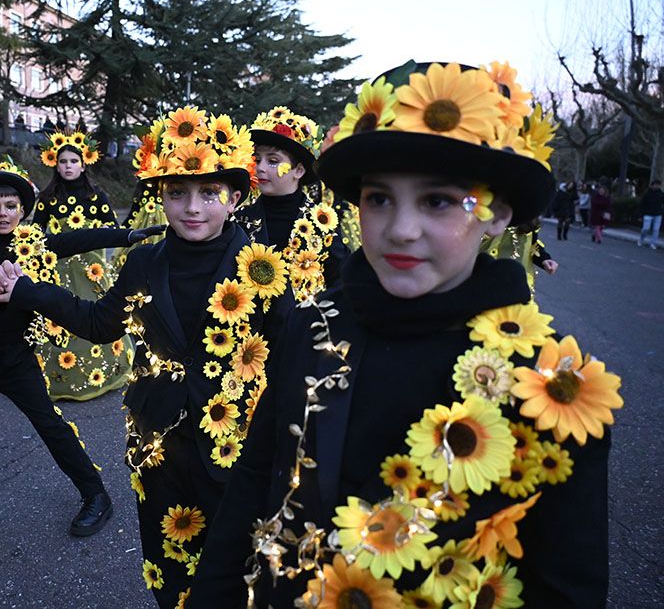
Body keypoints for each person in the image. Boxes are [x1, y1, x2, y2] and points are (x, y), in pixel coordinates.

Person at [190, 61, 621, 608]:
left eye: (438, 200)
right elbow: (253, 486)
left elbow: (566, 586)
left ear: (496, 215)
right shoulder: (313, 325)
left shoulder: (550, 387)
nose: (400, 229)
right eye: (379, 198)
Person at [0, 105, 292, 607]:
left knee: (239, 562)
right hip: (159, 439)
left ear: (235, 198)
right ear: (162, 197)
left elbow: (284, 354)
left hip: (238, 442)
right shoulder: (144, 261)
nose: (193, 207)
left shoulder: (263, 268)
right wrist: (27, 291)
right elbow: (100, 323)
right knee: (169, 556)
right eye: (177, 193)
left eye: (209, 193)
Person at [0, 157, 162, 536]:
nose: (3, 214)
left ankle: (96, 495)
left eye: (11, 206)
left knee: (52, 427)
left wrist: (127, 236)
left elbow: (76, 239)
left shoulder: (33, 244)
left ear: (22, 210)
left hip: (18, 360)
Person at [33, 131, 131, 402]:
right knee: (56, 318)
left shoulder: (96, 196)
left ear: (83, 164)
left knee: (96, 316)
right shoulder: (48, 197)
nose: (67, 166)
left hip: (92, 271)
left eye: (73, 161)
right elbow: (35, 233)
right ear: (56, 165)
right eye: (63, 161)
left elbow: (112, 228)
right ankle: (52, 376)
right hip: (56, 271)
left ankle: (101, 371)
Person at [235, 106, 349, 299]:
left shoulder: (322, 223)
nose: (260, 168)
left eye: (272, 161)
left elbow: (341, 282)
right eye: (257, 159)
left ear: (299, 171)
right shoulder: (239, 219)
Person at [637, 180, 663, 249]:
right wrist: (640, 215)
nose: (657, 186)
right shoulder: (647, 194)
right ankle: (641, 239)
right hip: (648, 213)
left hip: (658, 214)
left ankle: (653, 243)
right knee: (646, 228)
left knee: (656, 230)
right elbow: (641, 204)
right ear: (652, 185)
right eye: (656, 184)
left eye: (658, 185)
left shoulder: (661, 194)